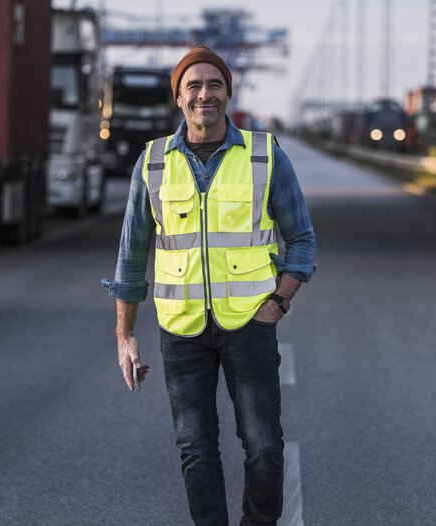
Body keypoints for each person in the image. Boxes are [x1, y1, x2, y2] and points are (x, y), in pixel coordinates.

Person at [103, 46, 317, 526]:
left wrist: (279, 301)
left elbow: (302, 239)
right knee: (195, 450)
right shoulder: (153, 163)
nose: (205, 94)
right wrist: (125, 335)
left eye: (215, 84)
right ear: (179, 98)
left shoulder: (265, 155)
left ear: (228, 94)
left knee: (263, 449)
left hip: (249, 324)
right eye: (193, 86)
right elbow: (131, 255)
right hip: (181, 331)